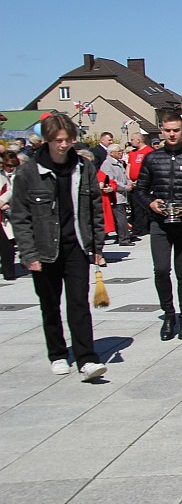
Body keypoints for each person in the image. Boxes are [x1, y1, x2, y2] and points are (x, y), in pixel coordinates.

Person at [8, 113, 108, 381]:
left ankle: (87, 358)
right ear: (47, 140)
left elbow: (94, 208)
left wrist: (97, 246)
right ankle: (58, 354)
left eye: (69, 140)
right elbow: (20, 216)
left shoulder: (83, 168)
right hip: (44, 248)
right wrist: (28, 253)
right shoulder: (29, 171)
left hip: (76, 244)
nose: (64, 145)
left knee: (79, 303)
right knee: (50, 304)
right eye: (59, 141)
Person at [134, 112, 182, 341]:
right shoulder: (152, 159)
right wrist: (151, 203)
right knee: (161, 270)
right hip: (160, 223)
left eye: (176, 130)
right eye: (168, 130)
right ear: (161, 131)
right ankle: (169, 314)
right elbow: (139, 190)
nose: (172, 134)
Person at [99, 144, 133, 246]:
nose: (121, 153)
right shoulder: (107, 164)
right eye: (119, 151)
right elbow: (111, 180)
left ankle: (123, 236)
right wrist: (124, 187)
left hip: (122, 194)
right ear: (112, 153)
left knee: (121, 217)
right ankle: (124, 239)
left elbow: (125, 176)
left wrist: (129, 183)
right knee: (120, 218)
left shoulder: (119, 163)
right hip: (116, 195)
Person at [127, 132, 154, 237]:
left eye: (133, 139)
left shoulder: (149, 151)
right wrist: (129, 179)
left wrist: (141, 180)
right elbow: (129, 166)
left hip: (144, 183)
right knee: (134, 207)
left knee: (143, 206)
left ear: (139, 140)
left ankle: (144, 228)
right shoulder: (132, 153)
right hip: (133, 183)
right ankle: (137, 227)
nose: (131, 141)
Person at [0, 151, 19, 280]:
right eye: (8, 165)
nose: (10, 168)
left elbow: (14, 191)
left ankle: (10, 272)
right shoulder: (2, 177)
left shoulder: (19, 175)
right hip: (3, 216)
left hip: (12, 213)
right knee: (6, 246)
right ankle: (9, 273)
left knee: (9, 246)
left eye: (13, 165)